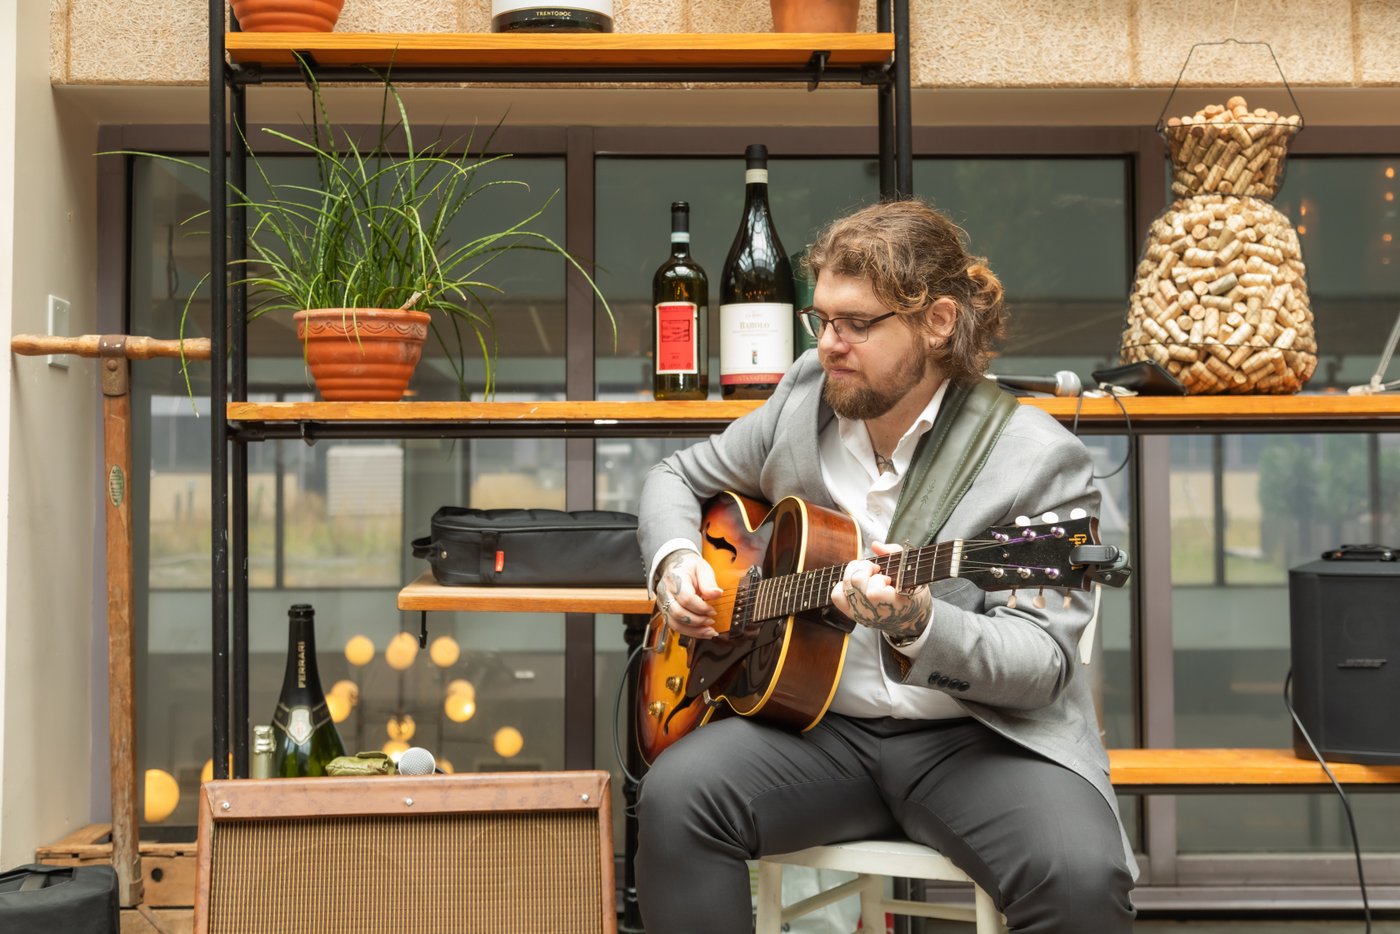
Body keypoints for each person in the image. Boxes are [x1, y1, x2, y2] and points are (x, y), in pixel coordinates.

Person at [634, 198, 1137, 933]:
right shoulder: (803, 397)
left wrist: (920, 622)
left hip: (979, 739)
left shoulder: (1033, 456)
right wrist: (678, 562)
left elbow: (1040, 665)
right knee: (677, 799)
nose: (830, 343)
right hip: (819, 734)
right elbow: (676, 476)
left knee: (1079, 878)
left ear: (936, 323)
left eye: (856, 324)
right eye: (821, 320)